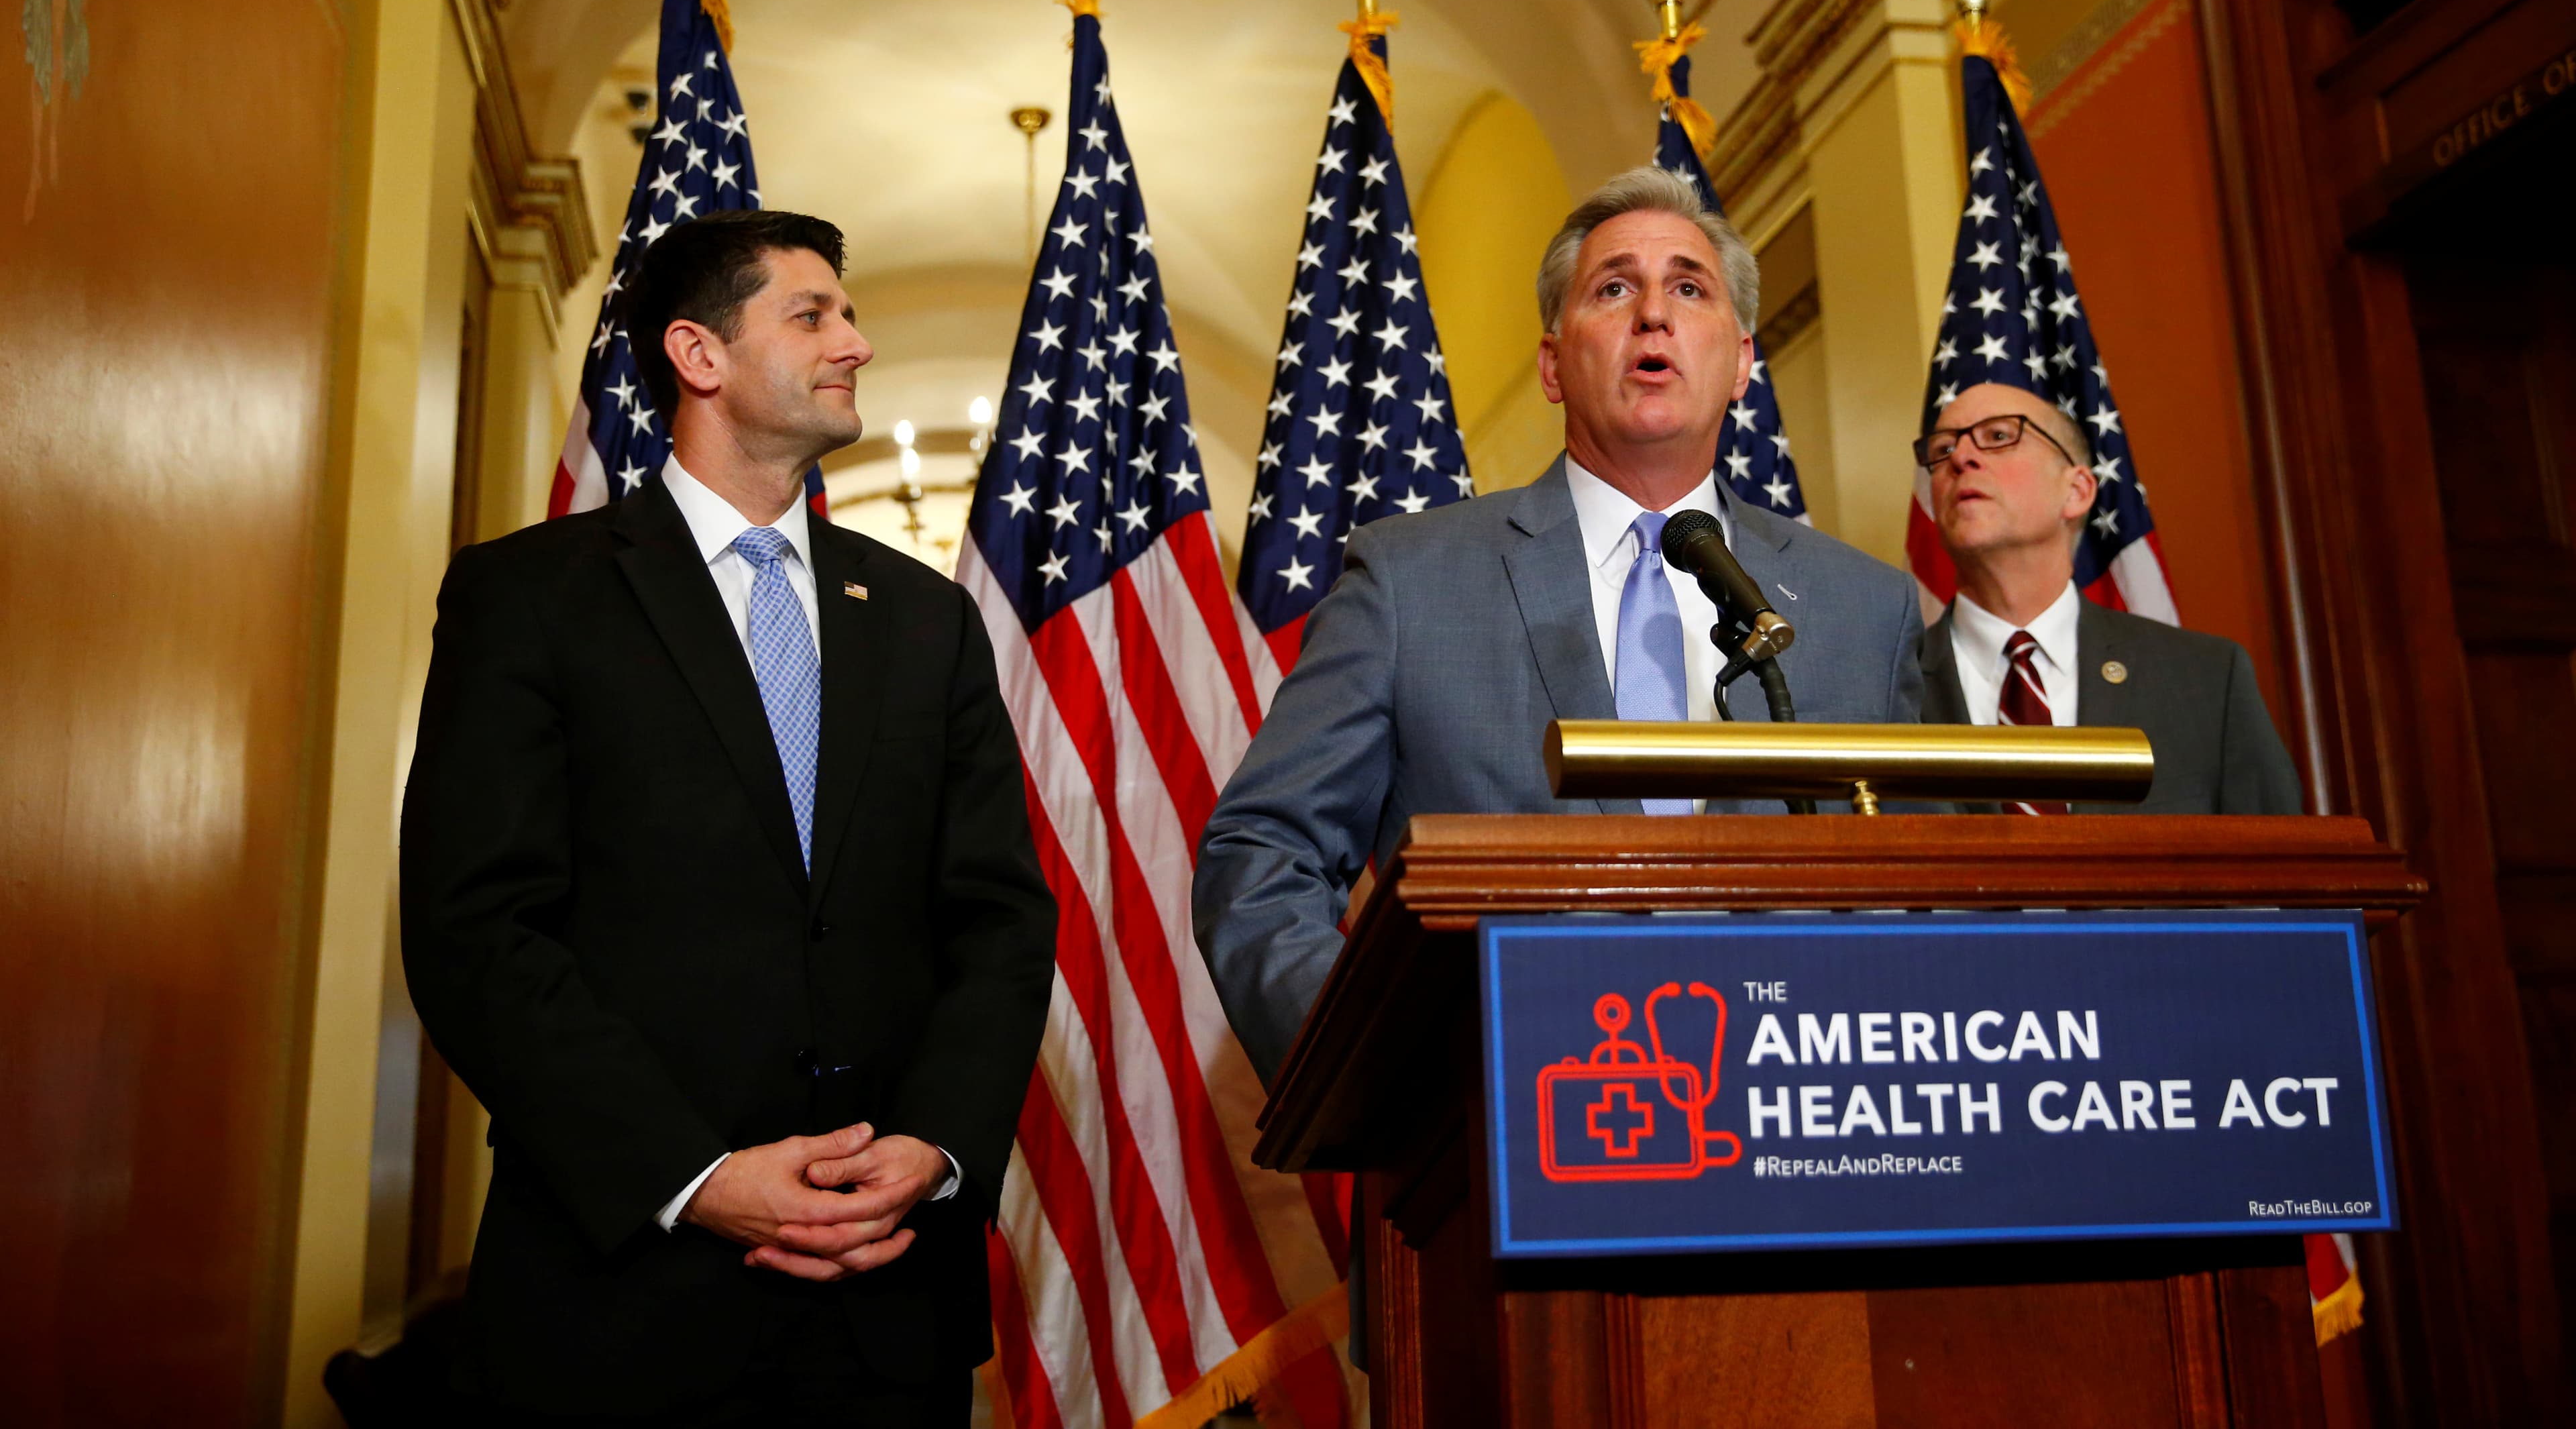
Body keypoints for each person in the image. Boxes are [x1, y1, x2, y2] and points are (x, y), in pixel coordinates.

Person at [400, 209, 1057, 1426]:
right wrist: (695, 1177)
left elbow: (1001, 920)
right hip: (619, 1302)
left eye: (849, 314)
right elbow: (477, 934)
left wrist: (934, 1148)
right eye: (814, 315)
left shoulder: (926, 619)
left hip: (887, 1302)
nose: (854, 342)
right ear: (699, 357)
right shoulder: (530, 600)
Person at [1195, 166, 1927, 1088]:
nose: (1653, 315)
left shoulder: (1866, 608)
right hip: (1494, 1138)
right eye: (1614, 288)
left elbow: (1926, 891)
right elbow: (1262, 854)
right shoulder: (1409, 581)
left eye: (1689, 289)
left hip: (1804, 1138)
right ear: (1552, 365)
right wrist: (1384, 1072)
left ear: (1742, 362)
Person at [1915, 378, 2302, 814]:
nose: (1961, 458)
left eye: (1999, 436)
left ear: (2077, 491)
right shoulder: (1889, 687)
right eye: (1942, 449)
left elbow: (2282, 868)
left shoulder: (2207, 679)